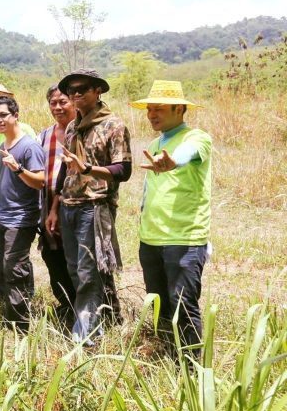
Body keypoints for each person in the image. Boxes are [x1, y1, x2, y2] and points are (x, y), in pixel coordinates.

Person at [132, 80, 212, 356]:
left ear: (179, 109)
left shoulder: (197, 138)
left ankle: (190, 366)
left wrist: (174, 161)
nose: (151, 114)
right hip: (151, 238)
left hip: (184, 238)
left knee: (183, 305)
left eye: (159, 109)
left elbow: (186, 155)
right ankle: (165, 356)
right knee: (159, 304)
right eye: (149, 109)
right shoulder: (154, 143)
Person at [52, 68, 131, 345]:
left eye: (82, 88)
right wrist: (55, 205)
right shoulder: (72, 126)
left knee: (89, 272)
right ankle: (109, 318)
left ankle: (85, 335)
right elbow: (66, 168)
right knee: (77, 269)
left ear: (97, 91)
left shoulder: (113, 125)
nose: (75, 94)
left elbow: (123, 169)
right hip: (69, 205)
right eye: (71, 90)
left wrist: (88, 168)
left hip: (95, 205)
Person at [0, 96, 45, 331]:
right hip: (2, 217)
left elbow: (40, 181)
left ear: (16, 115)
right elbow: (4, 185)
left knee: (14, 269)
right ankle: (18, 310)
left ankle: (19, 325)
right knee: (8, 267)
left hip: (21, 219)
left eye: (3, 115)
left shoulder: (29, 146)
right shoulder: (3, 146)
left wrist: (19, 168)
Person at [38, 85, 77, 328]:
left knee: (76, 256)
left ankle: (85, 307)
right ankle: (66, 304)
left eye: (63, 101)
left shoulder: (81, 132)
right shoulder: (44, 135)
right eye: (53, 103)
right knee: (52, 254)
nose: (58, 107)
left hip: (73, 204)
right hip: (46, 204)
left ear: (74, 102)